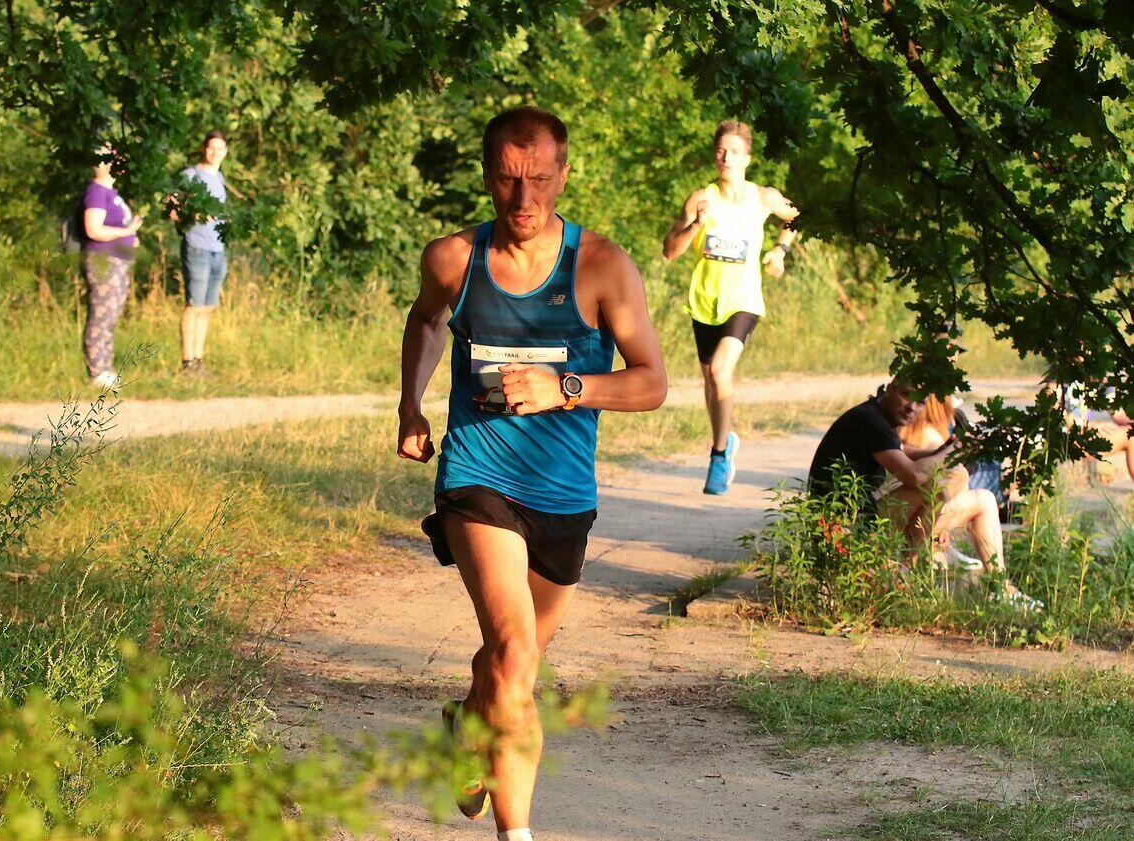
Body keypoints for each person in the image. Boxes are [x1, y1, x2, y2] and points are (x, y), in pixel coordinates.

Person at [396, 107, 667, 840]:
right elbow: (426, 321)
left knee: (512, 665)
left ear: (563, 176)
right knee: (516, 654)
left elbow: (651, 382)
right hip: (478, 476)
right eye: (510, 180)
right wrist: (411, 405)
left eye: (540, 180)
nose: (524, 199)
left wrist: (566, 387)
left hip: (564, 493)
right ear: (487, 176)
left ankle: (467, 723)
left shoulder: (602, 265)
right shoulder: (454, 259)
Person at [808, 379, 1040, 609]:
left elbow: (903, 451)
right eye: (906, 395)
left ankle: (1003, 590)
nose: (912, 407)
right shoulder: (870, 420)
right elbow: (913, 476)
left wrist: (942, 451)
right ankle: (907, 567)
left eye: (920, 402)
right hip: (846, 526)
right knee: (937, 483)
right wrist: (953, 450)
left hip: (873, 519)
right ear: (890, 389)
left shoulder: (881, 417)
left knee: (984, 499)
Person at [662, 119, 799, 495]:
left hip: (744, 300)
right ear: (715, 155)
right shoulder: (700, 199)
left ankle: (719, 456)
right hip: (705, 301)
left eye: (734, 152)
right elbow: (670, 251)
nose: (726, 157)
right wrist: (695, 226)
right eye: (721, 150)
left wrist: (780, 250)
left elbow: (797, 216)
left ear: (747, 158)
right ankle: (725, 440)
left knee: (721, 372)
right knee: (711, 378)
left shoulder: (764, 197)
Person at [80, 145, 143, 389]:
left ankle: (105, 368)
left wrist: (130, 238)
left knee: (111, 314)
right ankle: (97, 371)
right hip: (103, 261)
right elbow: (93, 229)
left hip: (119, 260)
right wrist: (127, 232)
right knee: (102, 314)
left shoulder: (111, 192)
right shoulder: (97, 191)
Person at [174, 131, 229, 377]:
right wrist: (194, 215)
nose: (215, 153)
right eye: (211, 147)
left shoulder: (219, 177)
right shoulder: (189, 175)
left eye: (220, 148)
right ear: (204, 149)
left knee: (207, 307)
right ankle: (187, 362)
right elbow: (171, 209)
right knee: (194, 305)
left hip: (218, 249)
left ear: (225, 152)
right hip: (197, 246)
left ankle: (198, 360)